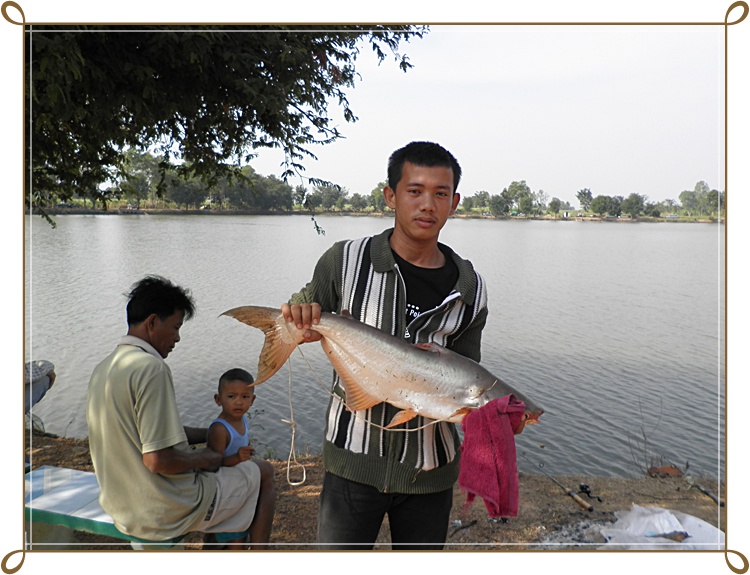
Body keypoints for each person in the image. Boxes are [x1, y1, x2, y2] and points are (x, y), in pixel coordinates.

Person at [281, 141, 488, 550]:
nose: (427, 204)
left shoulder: (470, 287)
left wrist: (492, 417)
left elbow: (467, 372)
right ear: (390, 196)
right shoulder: (345, 260)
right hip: (352, 463)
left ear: (455, 202)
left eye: (440, 193)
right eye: (414, 191)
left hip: (431, 471)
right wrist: (298, 320)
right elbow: (305, 304)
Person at [86, 275, 275, 549]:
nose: (177, 338)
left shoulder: (106, 367)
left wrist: (215, 432)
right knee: (265, 473)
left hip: (122, 506)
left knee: (230, 477)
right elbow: (157, 460)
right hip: (163, 508)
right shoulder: (151, 368)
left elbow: (148, 432)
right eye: (175, 327)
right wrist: (204, 458)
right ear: (152, 322)